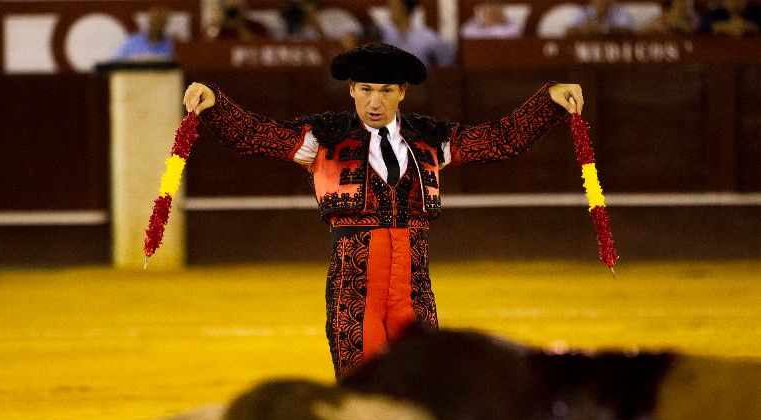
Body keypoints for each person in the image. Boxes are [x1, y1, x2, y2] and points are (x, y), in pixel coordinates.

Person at [182, 43, 583, 380]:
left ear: (402, 92)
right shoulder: (324, 139)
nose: (375, 102)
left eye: (387, 90)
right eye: (366, 89)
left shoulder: (430, 140)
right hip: (355, 291)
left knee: (422, 389)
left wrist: (547, 100)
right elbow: (254, 135)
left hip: (414, 289)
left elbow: (499, 140)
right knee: (364, 390)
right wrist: (216, 103)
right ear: (351, 89)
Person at [374, 0, 456, 67]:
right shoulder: (382, 32)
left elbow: (447, 58)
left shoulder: (426, 36)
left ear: (405, 9)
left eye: (394, 7)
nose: (390, 11)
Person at [565, 0, 636, 36]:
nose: (603, 1)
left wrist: (602, 29)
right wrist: (583, 29)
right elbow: (568, 31)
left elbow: (626, 31)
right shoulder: (583, 11)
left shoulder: (620, 10)